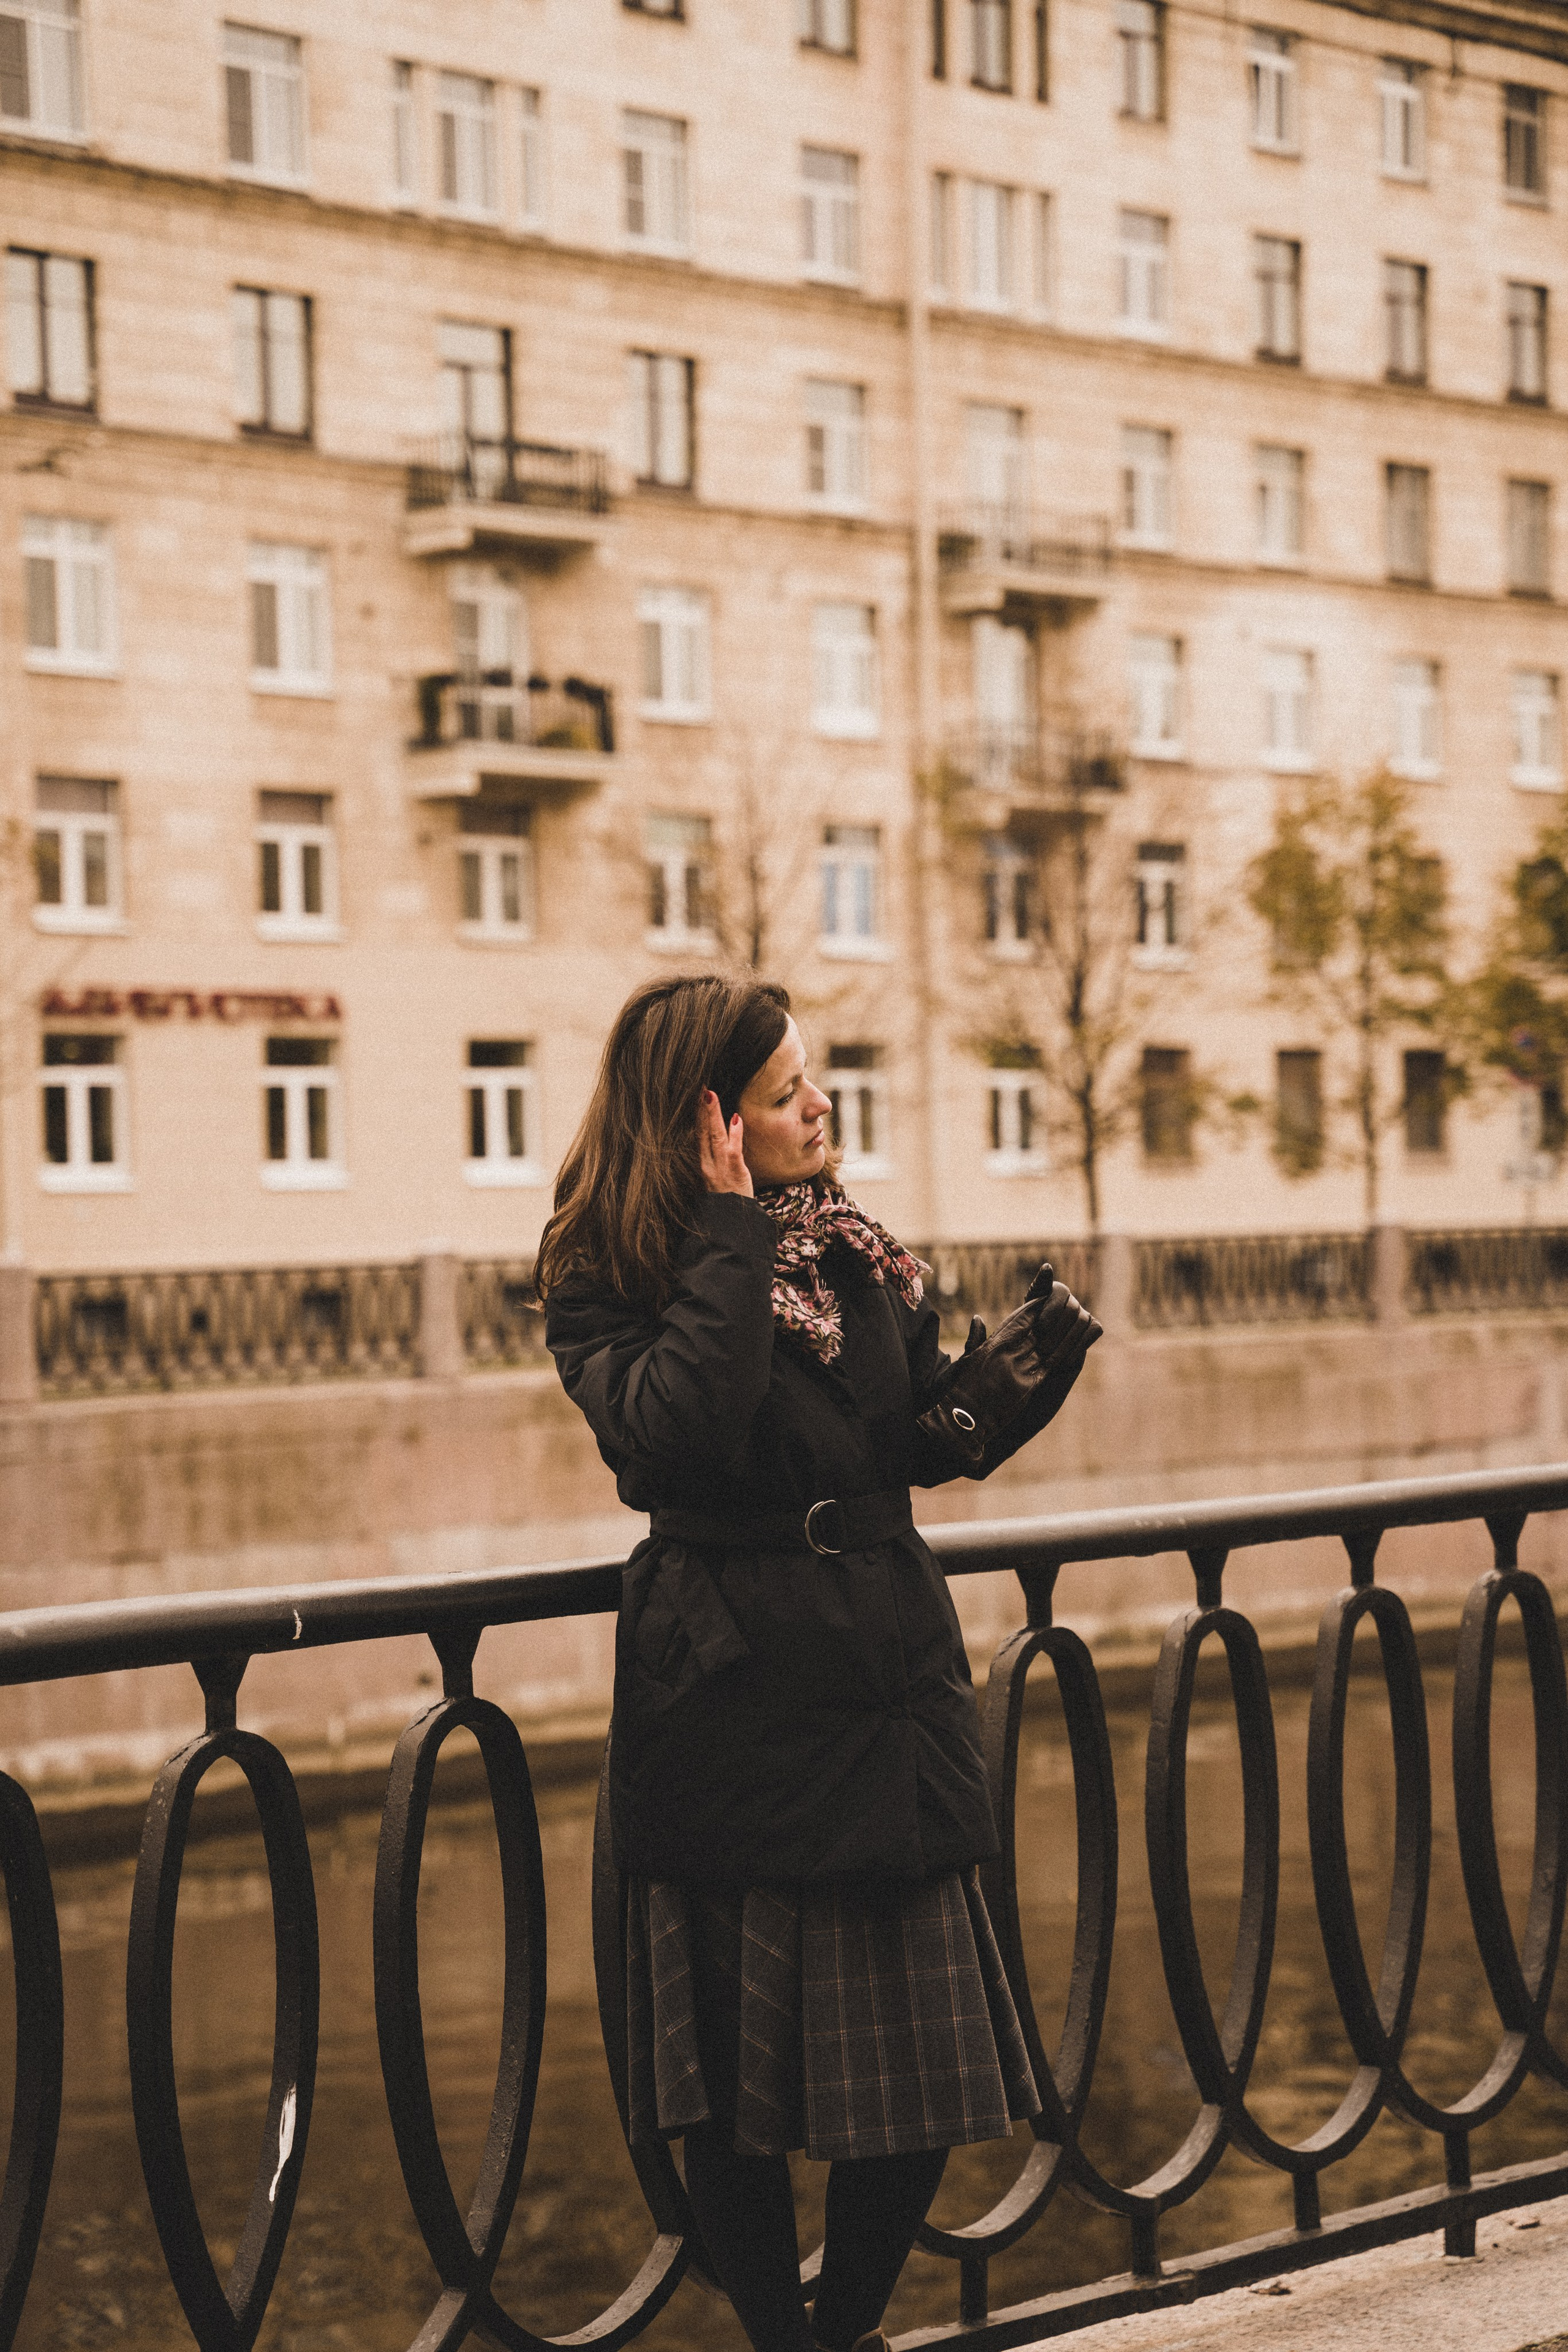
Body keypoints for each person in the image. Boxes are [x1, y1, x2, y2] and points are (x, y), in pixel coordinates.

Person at [540, 973, 1096, 2352]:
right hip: (730, 1699)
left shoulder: (848, 1245)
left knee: (923, 2075)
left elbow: (900, 1440)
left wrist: (1011, 1383)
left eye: (815, 1082)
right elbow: (685, 1430)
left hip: (885, 1687)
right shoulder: (603, 1267)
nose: (823, 1108)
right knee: (729, 2100)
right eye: (790, 1094)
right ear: (711, 1123)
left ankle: (835, 2332)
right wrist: (727, 1232)